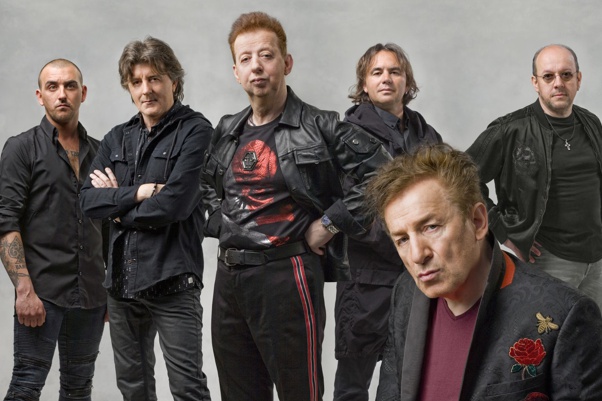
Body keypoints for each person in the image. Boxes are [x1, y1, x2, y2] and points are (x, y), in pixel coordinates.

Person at [202, 11, 390, 401]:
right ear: (236, 72)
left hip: (287, 273)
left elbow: (386, 172)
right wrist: (221, 222)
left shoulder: (320, 126)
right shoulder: (227, 129)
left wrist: (331, 222)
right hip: (229, 278)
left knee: (298, 393)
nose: (257, 66)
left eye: (266, 55)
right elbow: (204, 186)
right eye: (246, 58)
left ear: (286, 63)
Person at [366, 143, 602, 401]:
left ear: (478, 221)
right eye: (402, 239)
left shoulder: (567, 314)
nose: (416, 255)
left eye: (431, 227)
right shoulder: (406, 291)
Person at [80, 37, 215, 401]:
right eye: (136, 81)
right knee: (133, 388)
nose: (146, 89)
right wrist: (137, 193)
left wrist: (116, 210)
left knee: (187, 388)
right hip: (121, 285)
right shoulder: (116, 138)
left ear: (174, 80)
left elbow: (175, 205)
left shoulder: (197, 131)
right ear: (128, 87)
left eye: (154, 78)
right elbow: (88, 201)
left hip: (173, 281)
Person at [334, 43, 441, 401]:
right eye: (377, 72)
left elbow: (443, 198)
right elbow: (352, 207)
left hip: (418, 277)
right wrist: (406, 243)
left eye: (395, 71)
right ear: (364, 84)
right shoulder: (347, 135)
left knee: (406, 381)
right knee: (353, 385)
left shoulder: (426, 135)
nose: (386, 78)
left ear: (406, 81)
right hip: (366, 279)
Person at [0, 59, 106, 400]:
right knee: (26, 386)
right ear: (40, 96)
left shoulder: (101, 152)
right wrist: (24, 290)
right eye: (53, 86)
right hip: (41, 293)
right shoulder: (21, 148)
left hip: (91, 295)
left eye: (70, 86)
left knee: (79, 390)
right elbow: (6, 221)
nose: (62, 94)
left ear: (82, 93)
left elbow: (109, 225)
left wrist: (111, 291)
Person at [466, 44, 602, 310]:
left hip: (597, 260)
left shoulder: (591, 123)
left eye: (566, 75)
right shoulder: (510, 129)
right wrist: (503, 230)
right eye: (548, 76)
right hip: (548, 260)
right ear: (535, 83)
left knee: (592, 333)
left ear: (578, 79)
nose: (558, 83)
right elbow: (463, 179)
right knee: (550, 334)